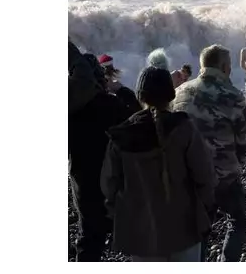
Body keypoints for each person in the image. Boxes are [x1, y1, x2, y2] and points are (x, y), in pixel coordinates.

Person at [102, 68, 215, 262]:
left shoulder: (121, 135)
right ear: (171, 94)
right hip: (185, 229)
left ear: (140, 95)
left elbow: (109, 185)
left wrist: (119, 216)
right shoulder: (184, 128)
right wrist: (204, 210)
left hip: (141, 235)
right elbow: (205, 176)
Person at [173, 44, 246, 261]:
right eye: (229, 65)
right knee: (239, 220)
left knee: (199, 227)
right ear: (224, 67)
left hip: (190, 176)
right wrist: (236, 164)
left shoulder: (180, 92)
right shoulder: (232, 95)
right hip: (224, 174)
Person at [68, 41, 141, 262]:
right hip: (115, 186)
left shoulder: (71, 112)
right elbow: (138, 123)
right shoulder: (113, 105)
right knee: (134, 236)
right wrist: (124, 92)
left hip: (84, 185)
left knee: (89, 239)